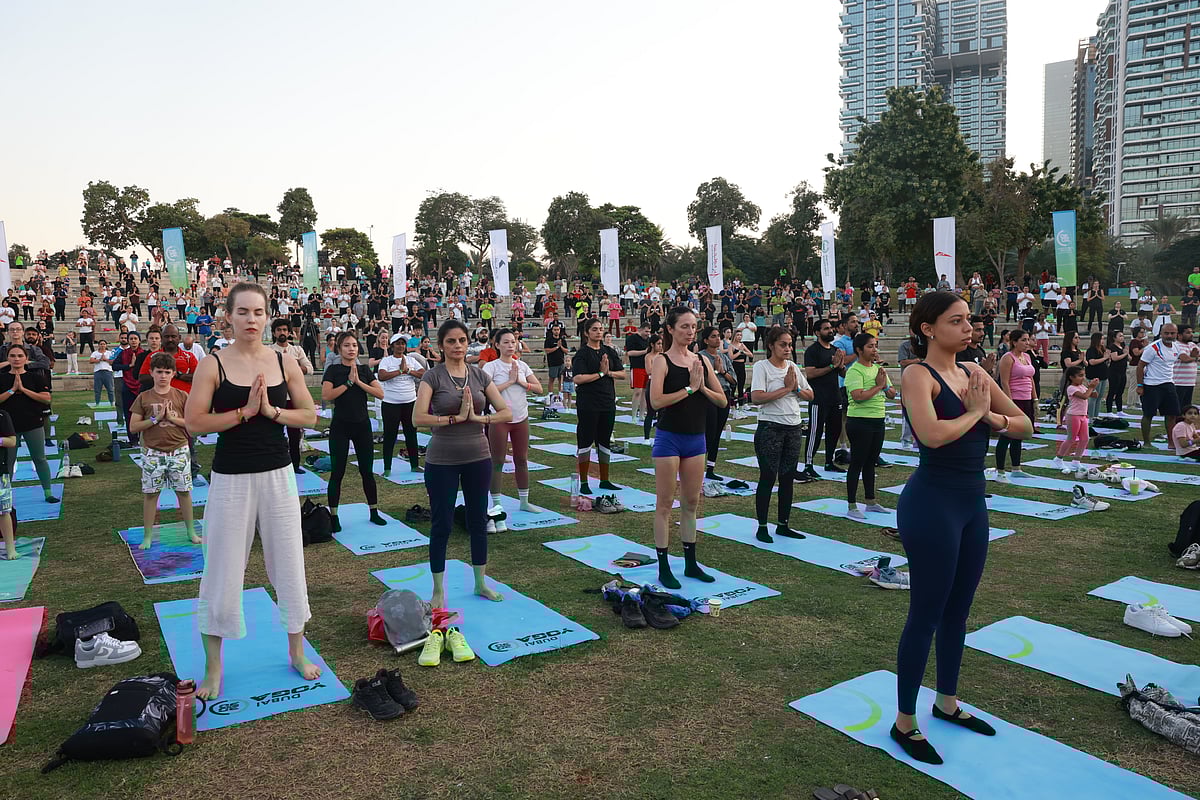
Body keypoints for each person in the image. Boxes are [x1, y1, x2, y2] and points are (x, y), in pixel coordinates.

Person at [891, 292, 1032, 765]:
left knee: (959, 611)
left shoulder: (976, 373)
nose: (968, 327)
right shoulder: (917, 373)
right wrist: (976, 414)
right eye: (956, 321)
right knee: (926, 612)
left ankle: (946, 702)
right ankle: (904, 722)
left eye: (969, 319)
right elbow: (930, 434)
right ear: (928, 329)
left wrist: (985, 412)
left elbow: (1024, 425)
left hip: (972, 505)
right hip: (931, 505)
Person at [183, 283, 319, 701]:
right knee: (222, 567)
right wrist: (243, 413)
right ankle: (214, 666)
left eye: (258, 312)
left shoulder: (283, 360)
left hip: (278, 474)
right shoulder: (213, 364)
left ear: (267, 315)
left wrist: (271, 411)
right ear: (228, 316)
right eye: (242, 312)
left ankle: (296, 651)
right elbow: (194, 422)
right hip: (231, 479)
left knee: (289, 562)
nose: (251, 319)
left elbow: (309, 415)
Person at [412, 319, 512, 609]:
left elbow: (505, 412)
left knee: (478, 521)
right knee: (441, 524)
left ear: (469, 343)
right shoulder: (432, 377)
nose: (457, 346)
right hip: (442, 458)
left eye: (462, 341)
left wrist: (480, 419)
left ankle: (481, 582)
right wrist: (453, 418)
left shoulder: (479, 375)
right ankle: (439, 591)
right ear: (441, 345)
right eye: (451, 341)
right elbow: (418, 418)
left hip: (478, 457)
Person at [647, 307, 726, 589]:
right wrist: (690, 390)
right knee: (665, 504)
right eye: (684, 327)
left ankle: (691, 563)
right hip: (669, 438)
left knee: (691, 503)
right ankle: (664, 566)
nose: (690, 332)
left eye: (693, 327)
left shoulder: (700, 361)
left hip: (696, 440)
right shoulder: (661, 361)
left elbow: (722, 400)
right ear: (670, 329)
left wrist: (701, 387)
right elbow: (656, 401)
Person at [748, 326, 813, 541]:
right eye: (783, 344)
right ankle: (762, 526)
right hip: (770, 428)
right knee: (768, 477)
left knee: (787, 478)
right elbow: (756, 397)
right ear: (771, 346)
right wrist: (786, 389)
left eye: (790, 344)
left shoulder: (792, 366)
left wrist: (794, 389)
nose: (788, 348)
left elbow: (810, 394)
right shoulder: (762, 367)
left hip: (793, 427)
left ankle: (783, 524)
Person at [129, 352, 198, 550]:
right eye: (159, 371)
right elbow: (133, 427)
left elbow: (193, 423)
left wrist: (174, 419)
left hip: (179, 450)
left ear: (174, 373)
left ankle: (191, 531)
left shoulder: (182, 395)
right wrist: (155, 419)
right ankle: (148, 535)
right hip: (152, 452)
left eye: (167, 372)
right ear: (151, 372)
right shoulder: (144, 397)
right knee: (151, 494)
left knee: (184, 492)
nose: (163, 376)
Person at [321, 331, 386, 531]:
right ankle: (334, 515)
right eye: (347, 346)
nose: (351, 349)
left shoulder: (364, 369)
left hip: (362, 426)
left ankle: (374, 511)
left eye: (354, 346)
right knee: (337, 472)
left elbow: (380, 393)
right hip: (340, 426)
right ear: (339, 349)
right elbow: (327, 395)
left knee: (367, 471)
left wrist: (358, 382)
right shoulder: (333, 370)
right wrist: (348, 382)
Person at [482, 329, 542, 526]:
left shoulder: (522, 366)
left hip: (521, 419)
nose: (510, 345)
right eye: (506, 342)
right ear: (497, 345)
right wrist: (510, 381)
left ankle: (524, 500)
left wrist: (521, 381)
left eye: (513, 341)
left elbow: (539, 388)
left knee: (522, 459)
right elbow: (486, 392)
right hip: (499, 419)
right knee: (497, 461)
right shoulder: (491, 367)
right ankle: (497, 503)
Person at [572, 318, 626, 495]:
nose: (598, 332)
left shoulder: (608, 351)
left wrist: (608, 372)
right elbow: (578, 378)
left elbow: (623, 374)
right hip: (588, 404)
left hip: (607, 402)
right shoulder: (582, 354)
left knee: (604, 442)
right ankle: (584, 481)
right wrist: (601, 373)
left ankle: (604, 479)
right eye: (594, 329)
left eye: (601, 329)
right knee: (586, 441)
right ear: (587, 332)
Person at [844, 333, 896, 518]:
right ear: (859, 350)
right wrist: (878, 386)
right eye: (870, 346)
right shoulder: (854, 371)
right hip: (860, 422)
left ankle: (871, 501)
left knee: (871, 462)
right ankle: (851, 505)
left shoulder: (878, 369)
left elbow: (891, 393)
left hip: (878, 420)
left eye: (875, 346)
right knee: (857, 462)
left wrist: (883, 386)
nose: (874, 350)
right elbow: (858, 397)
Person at [801, 319, 846, 478]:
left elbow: (842, 373)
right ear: (817, 332)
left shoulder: (835, 350)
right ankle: (808, 464)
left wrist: (840, 365)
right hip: (818, 398)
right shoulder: (812, 351)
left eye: (831, 328)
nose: (830, 331)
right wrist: (832, 366)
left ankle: (829, 462)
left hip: (835, 396)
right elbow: (811, 374)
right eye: (826, 329)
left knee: (834, 431)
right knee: (815, 431)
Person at [269, 318, 314, 473]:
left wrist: (293, 369)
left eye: (284, 330)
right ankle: (275, 463)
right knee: (275, 433)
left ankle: (295, 465)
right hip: (275, 397)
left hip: (294, 397)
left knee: (294, 434)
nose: (282, 333)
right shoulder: (268, 351)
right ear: (274, 333)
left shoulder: (297, 350)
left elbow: (310, 368)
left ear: (289, 332)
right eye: (279, 330)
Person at [377, 333, 426, 475]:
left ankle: (414, 465)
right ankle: (387, 468)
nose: (401, 346)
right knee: (390, 436)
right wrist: (399, 371)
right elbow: (382, 376)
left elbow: (424, 373)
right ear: (392, 346)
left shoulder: (411, 360)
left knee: (411, 435)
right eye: (398, 343)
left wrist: (409, 370)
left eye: (403, 344)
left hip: (409, 402)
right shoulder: (386, 361)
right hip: (391, 403)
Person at [995, 330, 1038, 482]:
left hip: (1026, 399)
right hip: (1014, 400)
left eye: (1028, 340)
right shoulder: (1008, 358)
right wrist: (1009, 403)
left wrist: (1035, 399)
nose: (1027, 343)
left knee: (1019, 435)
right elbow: (1004, 382)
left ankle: (1016, 468)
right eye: (1024, 340)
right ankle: (1000, 471)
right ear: (1014, 342)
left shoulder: (1026, 356)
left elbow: (1030, 379)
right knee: (1006, 435)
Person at [699, 326, 734, 482]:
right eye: (713, 336)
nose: (717, 339)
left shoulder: (724, 357)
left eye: (718, 336)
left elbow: (734, 380)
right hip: (708, 396)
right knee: (709, 432)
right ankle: (698, 467)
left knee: (718, 432)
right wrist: (715, 372)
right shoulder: (700, 357)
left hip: (724, 395)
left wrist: (722, 371)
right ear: (706, 340)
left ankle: (711, 468)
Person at [1138, 323, 1182, 447]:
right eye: (1166, 333)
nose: (1169, 335)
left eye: (1172, 333)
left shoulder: (1176, 347)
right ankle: (1147, 442)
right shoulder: (1153, 348)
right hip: (1152, 385)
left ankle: (1171, 442)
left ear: (1176, 334)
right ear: (1161, 333)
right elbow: (1141, 366)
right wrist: (1140, 385)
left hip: (1168, 384)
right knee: (1148, 414)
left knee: (1172, 414)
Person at [1052, 367, 1100, 474]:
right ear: (1071, 377)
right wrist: (1091, 388)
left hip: (1083, 415)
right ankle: (1058, 458)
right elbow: (1084, 396)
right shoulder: (1071, 388)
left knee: (1085, 439)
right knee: (1071, 438)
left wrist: (1093, 387)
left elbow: (1095, 395)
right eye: (1080, 375)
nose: (1083, 378)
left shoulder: (1082, 386)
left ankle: (1076, 461)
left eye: (1083, 375)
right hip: (1073, 415)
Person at [625, 322, 651, 423]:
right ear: (640, 330)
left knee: (645, 392)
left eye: (649, 332)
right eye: (646, 331)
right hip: (637, 367)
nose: (647, 334)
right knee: (638, 391)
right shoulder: (632, 339)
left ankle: (641, 414)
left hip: (647, 367)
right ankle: (633, 415)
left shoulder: (648, 340)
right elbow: (630, 353)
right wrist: (644, 352)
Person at [1174, 324, 1200, 409]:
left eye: (1192, 332)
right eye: (1188, 333)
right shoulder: (1175, 345)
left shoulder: (1192, 344)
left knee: (1186, 408)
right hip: (1178, 382)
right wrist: (1194, 357)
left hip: (1190, 382)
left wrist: (1193, 357)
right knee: (1177, 409)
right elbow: (1184, 358)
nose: (1191, 334)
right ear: (1179, 335)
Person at [1084, 332, 1109, 419]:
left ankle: (1096, 415)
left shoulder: (1102, 350)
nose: (1103, 341)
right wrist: (1104, 358)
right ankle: (1090, 416)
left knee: (1100, 397)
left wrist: (1107, 358)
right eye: (1101, 339)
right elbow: (1092, 362)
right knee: (1094, 397)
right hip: (1094, 376)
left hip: (1103, 376)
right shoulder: (1091, 350)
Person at [1105, 331, 1129, 414]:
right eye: (1120, 336)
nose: (1122, 337)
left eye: (1123, 336)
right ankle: (1109, 410)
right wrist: (1124, 354)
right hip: (1114, 372)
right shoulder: (1112, 347)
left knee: (1120, 391)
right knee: (1112, 390)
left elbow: (1129, 358)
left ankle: (1119, 410)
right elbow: (1115, 358)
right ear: (1115, 338)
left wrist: (1127, 353)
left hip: (1123, 371)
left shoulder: (1123, 346)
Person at [90, 338, 116, 406]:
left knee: (110, 389)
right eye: (101, 344)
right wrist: (99, 360)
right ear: (98, 345)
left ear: (106, 345)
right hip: (98, 372)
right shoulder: (95, 353)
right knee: (97, 389)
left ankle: (112, 402)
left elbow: (113, 361)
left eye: (104, 344)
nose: (102, 345)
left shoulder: (109, 353)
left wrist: (105, 359)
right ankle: (97, 403)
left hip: (108, 372)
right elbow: (91, 360)